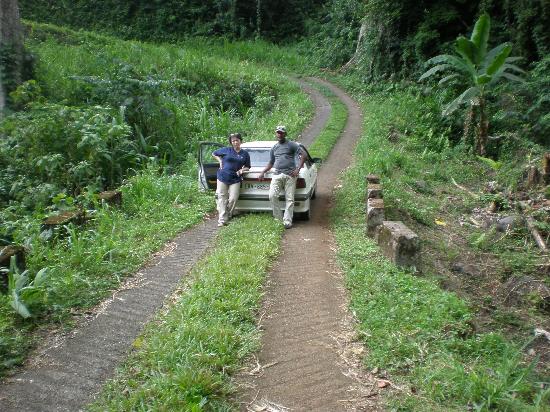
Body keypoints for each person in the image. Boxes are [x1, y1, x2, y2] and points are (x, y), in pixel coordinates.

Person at [258, 125, 305, 229]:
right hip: (277, 174)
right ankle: (278, 218)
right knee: (272, 195)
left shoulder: (292, 144)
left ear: (285, 134)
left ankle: (287, 221)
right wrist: (263, 172)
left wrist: (297, 169)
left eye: (281, 132)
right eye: (278, 132)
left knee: (290, 199)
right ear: (276, 134)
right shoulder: (274, 147)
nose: (279, 134)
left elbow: (303, 154)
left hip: (290, 175)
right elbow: (271, 163)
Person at [212, 133, 250, 227]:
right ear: (231, 142)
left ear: (240, 141)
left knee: (233, 198)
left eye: (237, 140)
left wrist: (241, 170)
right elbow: (214, 153)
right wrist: (220, 161)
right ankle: (222, 220)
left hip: (235, 178)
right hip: (222, 176)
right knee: (222, 198)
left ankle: (227, 215)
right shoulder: (226, 150)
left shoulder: (245, 154)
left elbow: (248, 167)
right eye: (233, 141)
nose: (235, 142)